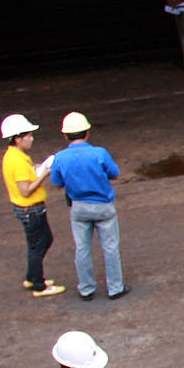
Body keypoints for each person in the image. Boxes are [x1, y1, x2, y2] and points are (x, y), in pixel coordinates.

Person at [46, 111, 126, 301]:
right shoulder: (99, 153)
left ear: (65, 135)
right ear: (87, 132)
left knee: (82, 249)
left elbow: (56, 183)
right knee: (110, 248)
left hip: (79, 207)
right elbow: (115, 174)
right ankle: (115, 288)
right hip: (103, 206)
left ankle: (86, 288)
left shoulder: (60, 158)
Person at [0, 114, 63, 298]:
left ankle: (32, 276)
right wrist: (44, 174)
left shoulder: (14, 156)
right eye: (28, 135)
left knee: (39, 242)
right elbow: (25, 190)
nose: (31, 138)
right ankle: (38, 284)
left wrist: (37, 169)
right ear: (18, 138)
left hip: (27, 209)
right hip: (31, 208)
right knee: (39, 244)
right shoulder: (17, 161)